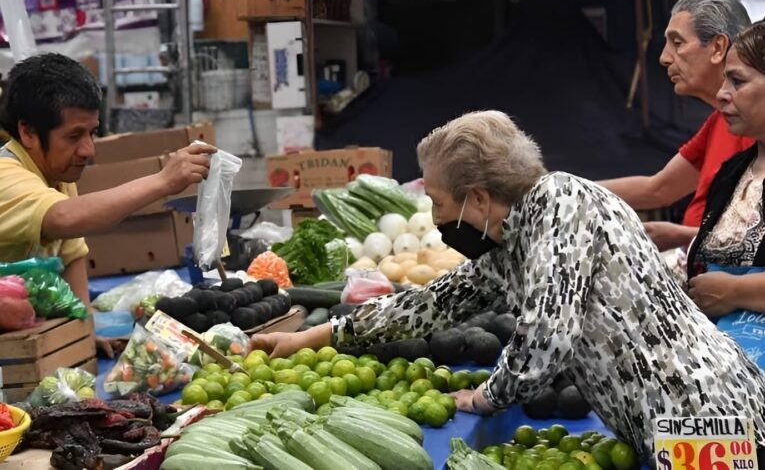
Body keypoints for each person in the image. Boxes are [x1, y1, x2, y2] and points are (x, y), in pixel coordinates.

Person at [252, 110, 765, 462]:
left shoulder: (564, 204)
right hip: (668, 423)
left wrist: (486, 398)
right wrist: (305, 339)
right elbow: (426, 306)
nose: (435, 216)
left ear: (477, 197)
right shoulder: (514, 240)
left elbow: (547, 337)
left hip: (704, 414)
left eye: (437, 200)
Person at [0, 53, 215, 354]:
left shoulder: (58, 176)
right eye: (74, 135)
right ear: (28, 132)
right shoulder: (5, 176)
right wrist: (163, 181)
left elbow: (72, 255)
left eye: (92, 132)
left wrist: (83, 335)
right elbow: (65, 218)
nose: (88, 150)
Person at [599, 0, 753, 251]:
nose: (664, 57)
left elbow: (753, 238)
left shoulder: (755, 128)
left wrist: (683, 236)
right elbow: (658, 187)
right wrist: (567, 187)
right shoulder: (718, 123)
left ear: (717, 48)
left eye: (677, 43)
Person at [686, 20, 765, 317]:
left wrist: (736, 292)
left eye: (738, 81)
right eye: (724, 81)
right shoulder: (730, 174)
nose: (721, 94)